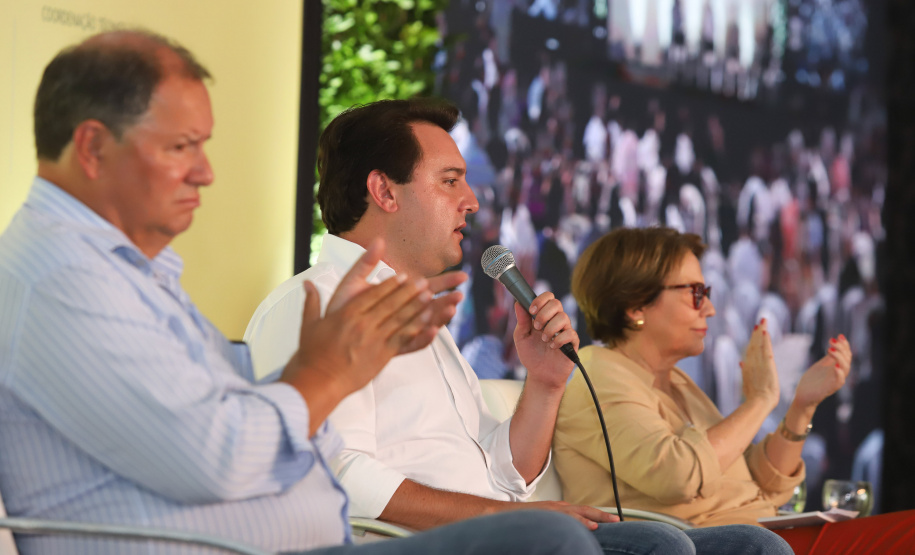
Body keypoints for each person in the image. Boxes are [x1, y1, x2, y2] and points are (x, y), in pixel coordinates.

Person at [0, 29, 613, 555]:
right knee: (553, 541)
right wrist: (324, 372)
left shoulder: (130, 273)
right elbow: (232, 459)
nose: (206, 172)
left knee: (639, 542)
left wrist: (545, 383)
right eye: (182, 146)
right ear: (92, 147)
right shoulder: (62, 277)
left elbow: (247, 427)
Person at [245, 99, 793, 554]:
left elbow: (506, 474)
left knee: (752, 546)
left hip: (490, 531)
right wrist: (502, 519)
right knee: (652, 547)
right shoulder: (311, 305)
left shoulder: (422, 322)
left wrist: (546, 382)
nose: (472, 200)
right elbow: (338, 474)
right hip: (394, 542)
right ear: (385, 192)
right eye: (450, 181)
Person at [555, 226, 915, 553]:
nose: (709, 309)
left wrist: (802, 407)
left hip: (765, 533)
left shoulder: (676, 381)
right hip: (722, 543)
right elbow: (679, 476)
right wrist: (760, 401)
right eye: (696, 293)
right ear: (636, 306)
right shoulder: (598, 374)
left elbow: (762, 486)